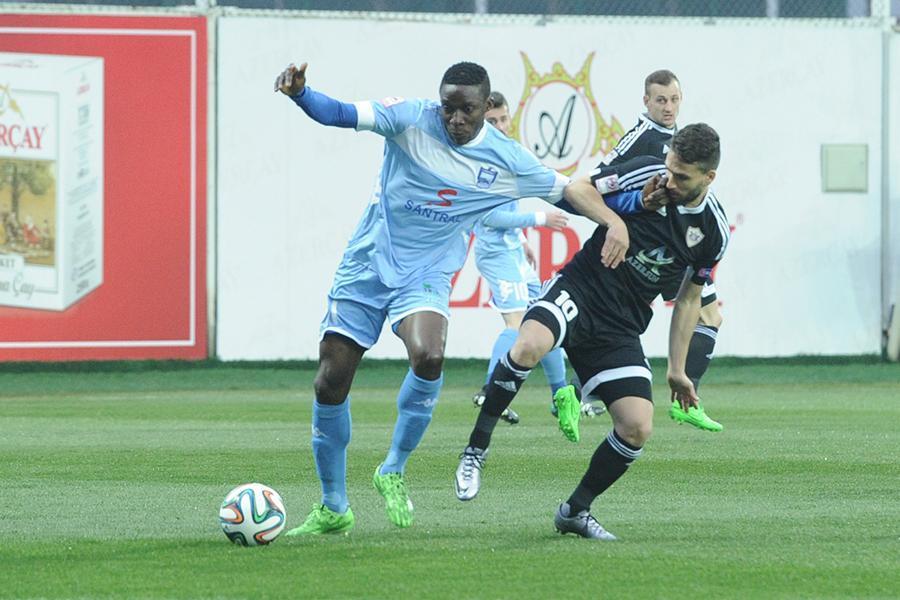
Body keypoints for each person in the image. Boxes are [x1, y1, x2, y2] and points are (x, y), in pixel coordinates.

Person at [273, 60, 630, 535]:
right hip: (367, 264)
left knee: (430, 356)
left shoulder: (505, 158)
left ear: (485, 108)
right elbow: (338, 112)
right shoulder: (408, 118)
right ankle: (334, 506)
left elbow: (568, 193)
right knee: (330, 382)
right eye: (448, 108)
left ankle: (392, 468)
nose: (455, 119)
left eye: (467, 110)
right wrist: (301, 93)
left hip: (426, 274)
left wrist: (615, 220)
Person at [454, 124, 729, 540]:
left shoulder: (713, 232)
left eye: (682, 177)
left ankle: (575, 511)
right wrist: (614, 221)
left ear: (709, 177)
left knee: (637, 426)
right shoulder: (646, 171)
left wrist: (677, 369)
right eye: (670, 168)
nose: (670, 181)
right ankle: (476, 450)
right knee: (528, 344)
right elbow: (578, 189)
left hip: (621, 325)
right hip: (581, 288)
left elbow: (690, 301)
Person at [597, 69, 724, 432]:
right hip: (649, 243)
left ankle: (686, 395)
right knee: (617, 321)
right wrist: (622, 218)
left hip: (679, 246)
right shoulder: (641, 138)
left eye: (674, 99)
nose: (669, 107)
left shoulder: (679, 140)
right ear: (646, 101)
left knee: (709, 316)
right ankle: (580, 390)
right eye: (661, 100)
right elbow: (600, 178)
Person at [470, 90, 595, 425]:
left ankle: (560, 397)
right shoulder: (480, 160)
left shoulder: (506, 153)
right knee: (515, 323)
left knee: (543, 319)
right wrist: (540, 219)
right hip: (496, 253)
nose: (499, 125)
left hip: (511, 248)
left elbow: (507, 205)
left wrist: (522, 238)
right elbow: (488, 217)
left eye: (503, 119)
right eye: (491, 121)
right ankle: (489, 391)